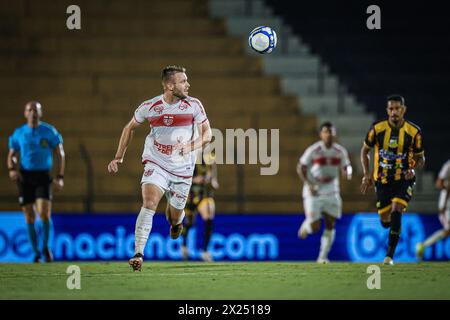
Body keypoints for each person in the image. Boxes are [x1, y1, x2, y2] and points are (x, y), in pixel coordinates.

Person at [107, 65, 212, 271]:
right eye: (183, 81)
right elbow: (129, 127)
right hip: (156, 163)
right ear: (170, 85)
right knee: (149, 202)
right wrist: (119, 156)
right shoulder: (150, 106)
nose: (188, 85)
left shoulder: (194, 105)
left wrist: (190, 146)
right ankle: (138, 253)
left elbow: (208, 134)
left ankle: (176, 223)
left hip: (183, 170)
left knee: (174, 218)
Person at [360, 95, 425, 265]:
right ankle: (388, 226)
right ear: (387, 110)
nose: (394, 112)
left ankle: (389, 256)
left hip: (403, 179)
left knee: (397, 210)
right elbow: (364, 151)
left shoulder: (414, 132)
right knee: (385, 220)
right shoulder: (377, 129)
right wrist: (367, 174)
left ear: (403, 109)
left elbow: (421, 158)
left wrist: (412, 168)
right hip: (382, 180)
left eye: (397, 108)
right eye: (391, 109)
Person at [7, 101, 65, 263]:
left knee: (44, 214)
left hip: (42, 177)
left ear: (40, 113)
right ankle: (36, 253)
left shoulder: (49, 131)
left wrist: (60, 176)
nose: (32, 112)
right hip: (25, 177)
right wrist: (12, 168)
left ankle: (45, 246)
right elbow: (12, 154)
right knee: (29, 217)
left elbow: (60, 153)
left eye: (35, 110)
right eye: (29, 110)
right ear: (25, 113)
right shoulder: (19, 133)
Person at [297, 122, 352, 263]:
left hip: (331, 189)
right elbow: (301, 166)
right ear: (321, 134)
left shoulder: (340, 152)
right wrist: (309, 184)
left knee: (330, 223)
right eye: (326, 132)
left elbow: (347, 166)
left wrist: (348, 173)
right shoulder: (314, 150)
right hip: (314, 189)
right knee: (315, 227)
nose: (329, 135)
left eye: (331, 132)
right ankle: (307, 225)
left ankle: (322, 257)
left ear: (335, 134)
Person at [181, 151, 219, 262]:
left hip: (205, 193)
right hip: (191, 194)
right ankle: (184, 245)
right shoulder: (188, 153)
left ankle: (205, 251)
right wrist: (194, 180)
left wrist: (213, 179)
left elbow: (213, 166)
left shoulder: (209, 154)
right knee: (189, 222)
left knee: (209, 217)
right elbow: (180, 174)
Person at [416, 159, 450, 261]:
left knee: (447, 231)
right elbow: (438, 183)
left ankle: (423, 245)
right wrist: (447, 188)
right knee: (448, 230)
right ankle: (423, 245)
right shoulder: (448, 165)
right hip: (446, 206)